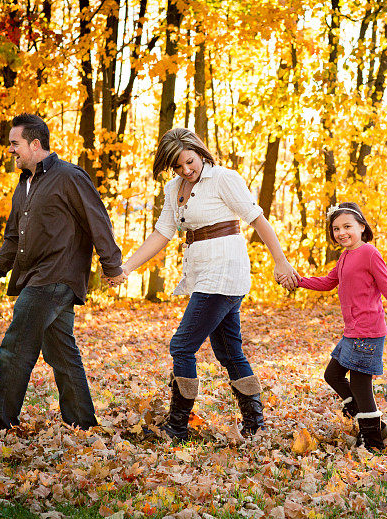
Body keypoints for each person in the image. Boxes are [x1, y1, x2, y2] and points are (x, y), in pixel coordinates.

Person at [120, 128, 298, 441]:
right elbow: (162, 233)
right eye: (178, 166)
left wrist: (280, 261)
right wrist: (127, 268)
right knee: (228, 350)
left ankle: (177, 428)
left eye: (190, 162)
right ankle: (255, 427)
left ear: (200, 152)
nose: (186, 170)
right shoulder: (174, 188)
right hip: (202, 272)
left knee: (182, 346)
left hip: (225, 270)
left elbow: (257, 219)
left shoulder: (224, 178)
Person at [0, 113, 126, 436]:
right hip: (35, 276)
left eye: (15, 144)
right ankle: (83, 423)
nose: (11, 150)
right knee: (60, 350)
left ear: (35, 143)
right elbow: (13, 238)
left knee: (17, 344)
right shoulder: (24, 186)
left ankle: (0, 421)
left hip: (57, 276)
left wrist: (111, 266)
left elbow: (97, 220)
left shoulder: (69, 176)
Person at [285, 202, 387, 451]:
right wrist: (298, 281)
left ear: (362, 227)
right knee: (332, 375)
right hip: (351, 332)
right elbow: (327, 282)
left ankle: (373, 443)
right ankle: (376, 426)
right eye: (336, 228)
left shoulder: (369, 253)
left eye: (347, 226)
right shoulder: (345, 256)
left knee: (360, 387)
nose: (341, 232)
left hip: (368, 332)